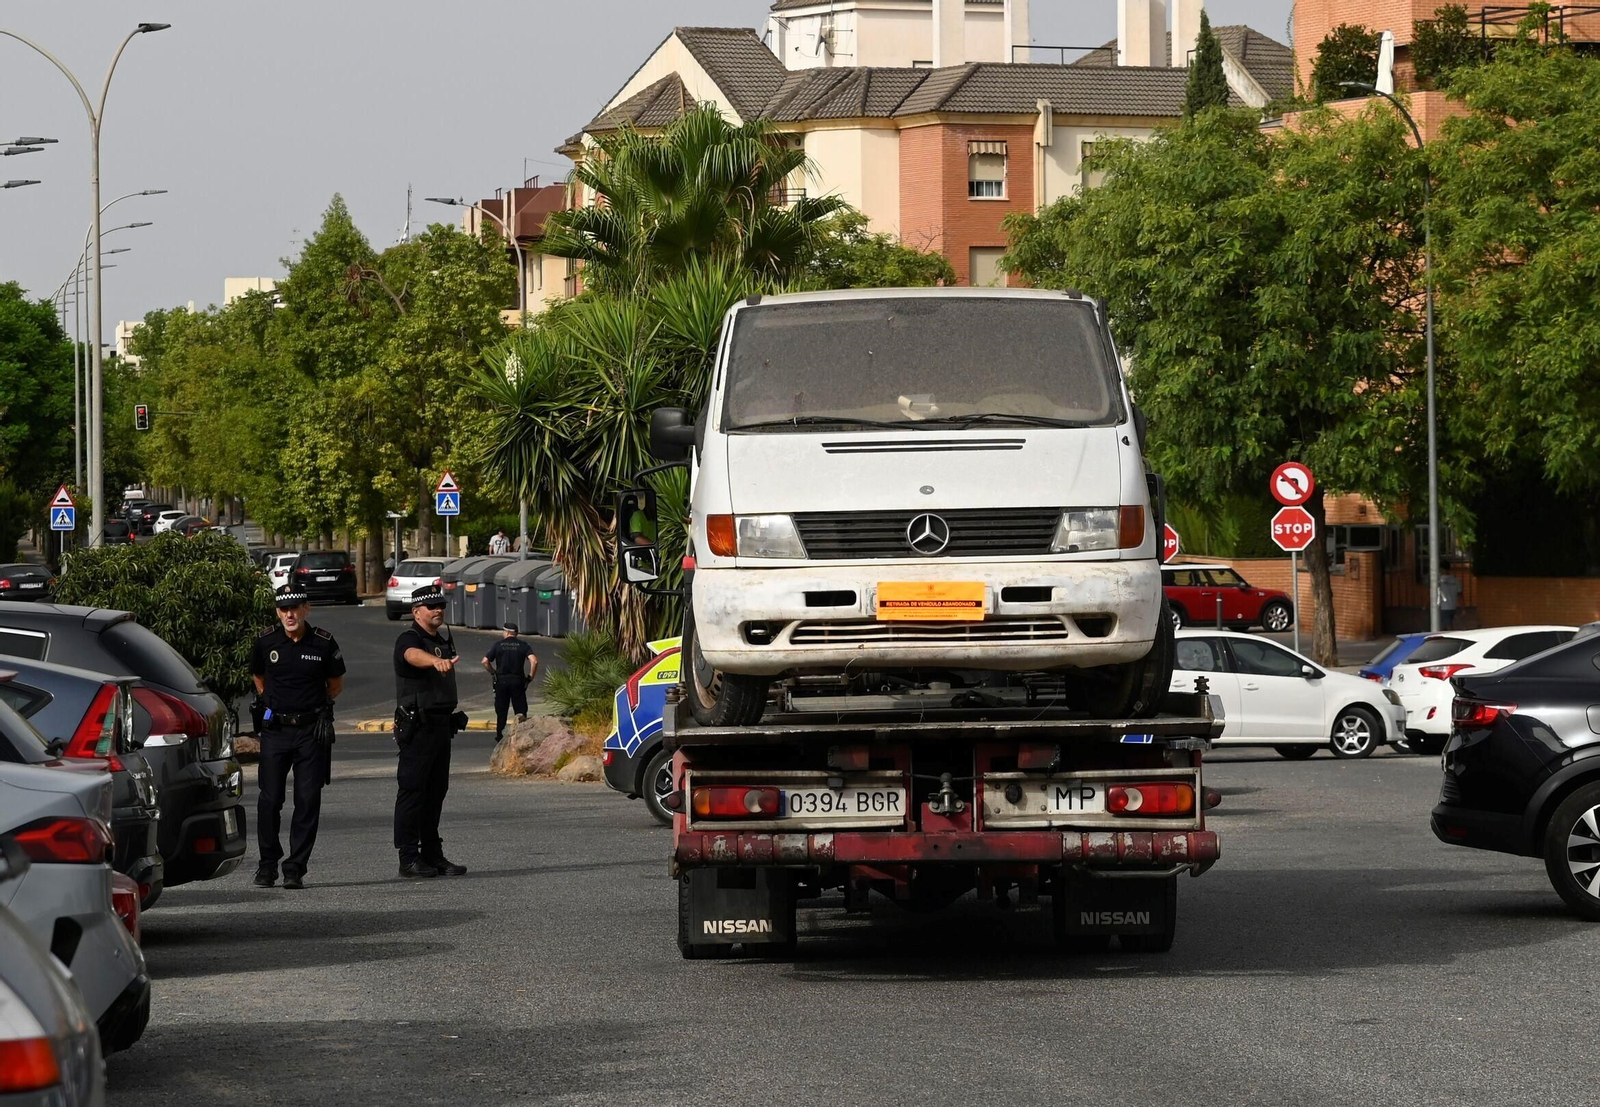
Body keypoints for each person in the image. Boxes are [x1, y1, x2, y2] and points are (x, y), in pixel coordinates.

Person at [250, 587, 345, 890]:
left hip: (309, 731)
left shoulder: (323, 642)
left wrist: (314, 707)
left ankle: (295, 868)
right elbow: (258, 677)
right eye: (282, 609)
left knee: (307, 800)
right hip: (276, 730)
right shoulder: (266, 641)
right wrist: (273, 702)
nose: (289, 615)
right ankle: (267, 865)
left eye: (295, 608)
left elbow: (335, 684)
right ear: (277, 612)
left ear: (307, 609)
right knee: (269, 799)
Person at [392, 586, 469, 879]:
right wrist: (434, 660)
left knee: (436, 792)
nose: (437, 610)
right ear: (416, 612)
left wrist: (441, 657)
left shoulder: (442, 639)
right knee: (413, 791)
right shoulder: (410, 639)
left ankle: (432, 855)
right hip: (418, 727)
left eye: (440, 605)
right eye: (430, 606)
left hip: (440, 725)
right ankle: (408, 857)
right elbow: (411, 655)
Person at [483, 623, 538, 741]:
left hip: (501, 681)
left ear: (506, 632)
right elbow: (534, 662)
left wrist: (493, 673)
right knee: (520, 710)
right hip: (518, 681)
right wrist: (530, 677)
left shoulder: (498, 645)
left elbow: (485, 662)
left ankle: (500, 736)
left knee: (501, 710)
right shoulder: (524, 645)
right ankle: (522, 736)